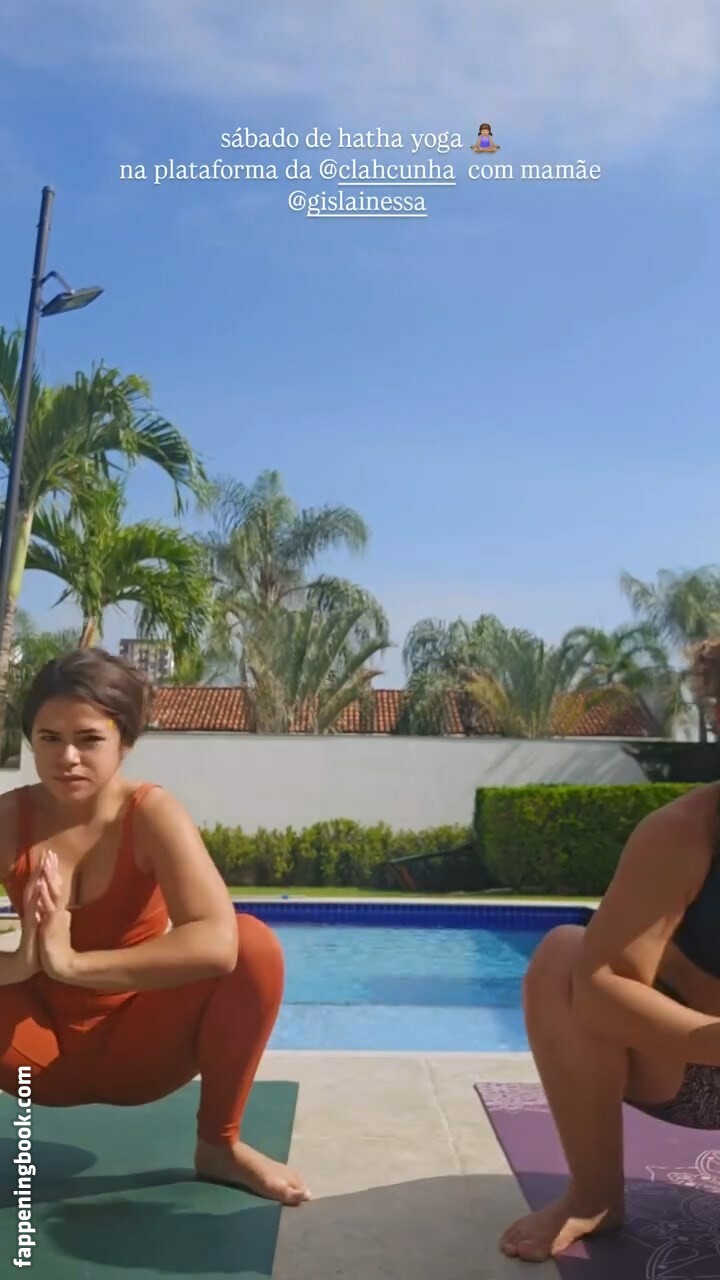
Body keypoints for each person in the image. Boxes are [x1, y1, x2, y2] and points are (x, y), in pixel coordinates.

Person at [0, 647, 309, 1205]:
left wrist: (73, 965)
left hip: (138, 1052)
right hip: (31, 1054)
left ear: (125, 742)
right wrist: (23, 963)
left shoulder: (150, 813)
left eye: (88, 739)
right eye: (49, 738)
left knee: (254, 946)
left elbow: (217, 943)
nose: (67, 757)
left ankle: (219, 1146)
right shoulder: (8, 818)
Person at [500, 641, 720, 1262]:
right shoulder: (685, 833)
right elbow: (600, 988)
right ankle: (593, 1195)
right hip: (693, 1074)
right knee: (563, 958)